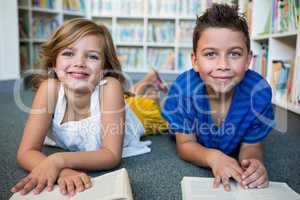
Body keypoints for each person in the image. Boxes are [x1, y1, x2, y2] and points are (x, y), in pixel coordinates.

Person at [10, 18, 167, 197]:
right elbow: (26, 152)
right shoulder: (50, 89)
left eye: (92, 56)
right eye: (68, 53)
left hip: (133, 118)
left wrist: (59, 160)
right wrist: (63, 171)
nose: (79, 63)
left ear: (105, 69)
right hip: (112, 105)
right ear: (54, 62)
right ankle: (146, 82)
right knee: (130, 96)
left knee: (147, 105)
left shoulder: (110, 86)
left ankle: (150, 82)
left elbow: (111, 155)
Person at [161, 3, 275, 191]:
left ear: (248, 60)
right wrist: (212, 157)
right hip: (187, 129)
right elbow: (186, 144)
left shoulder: (259, 93)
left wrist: (253, 163)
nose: (223, 65)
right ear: (195, 61)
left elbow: (251, 145)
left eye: (234, 54)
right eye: (211, 54)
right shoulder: (183, 90)